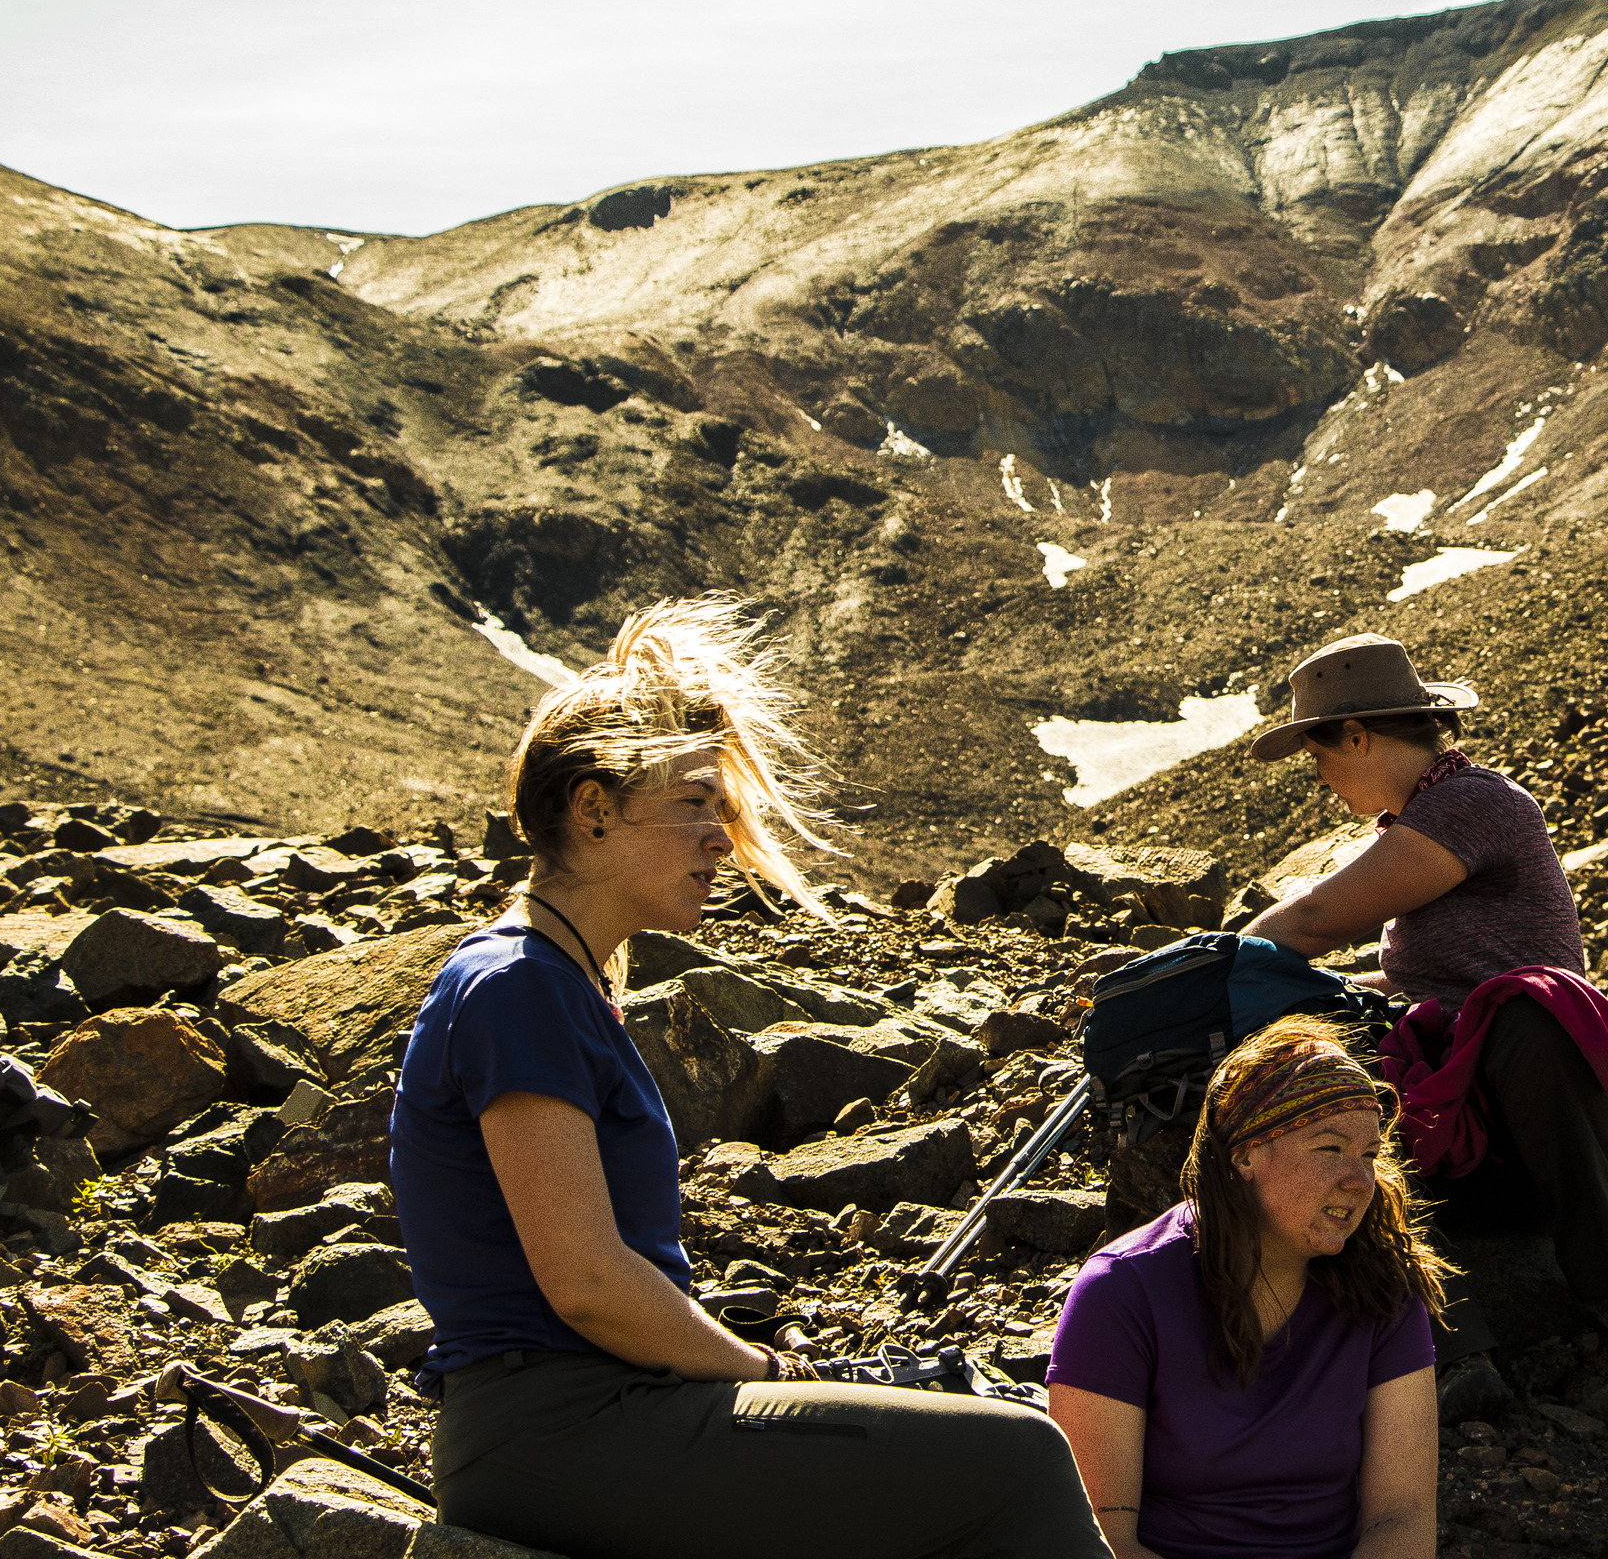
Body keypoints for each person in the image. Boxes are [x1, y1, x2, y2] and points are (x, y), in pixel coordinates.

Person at [389, 594, 1105, 1559]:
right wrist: (755, 1364)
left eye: (722, 812)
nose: (722, 841)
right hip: (558, 1432)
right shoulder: (517, 988)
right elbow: (587, 1284)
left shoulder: (557, 984)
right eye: (695, 808)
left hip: (590, 1417)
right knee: (1016, 1458)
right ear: (591, 808)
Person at [1237, 632, 1608, 1421]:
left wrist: (1213, 963)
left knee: (1529, 1009)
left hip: (1528, 1108)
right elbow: (1420, 980)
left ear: (1358, 735)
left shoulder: (1472, 805)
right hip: (1464, 1119)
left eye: (1322, 752)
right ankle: (1452, 1349)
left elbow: (1313, 918)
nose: (1319, 775)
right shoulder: (1422, 820)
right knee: (1331, 1093)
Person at [1047, 1017, 1442, 1559]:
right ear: (1245, 1155)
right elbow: (1099, 1538)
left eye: (1370, 1155)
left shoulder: (1383, 1291)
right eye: (1330, 1149)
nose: (1359, 1180)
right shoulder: (1122, 1292)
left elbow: (1403, 1519)